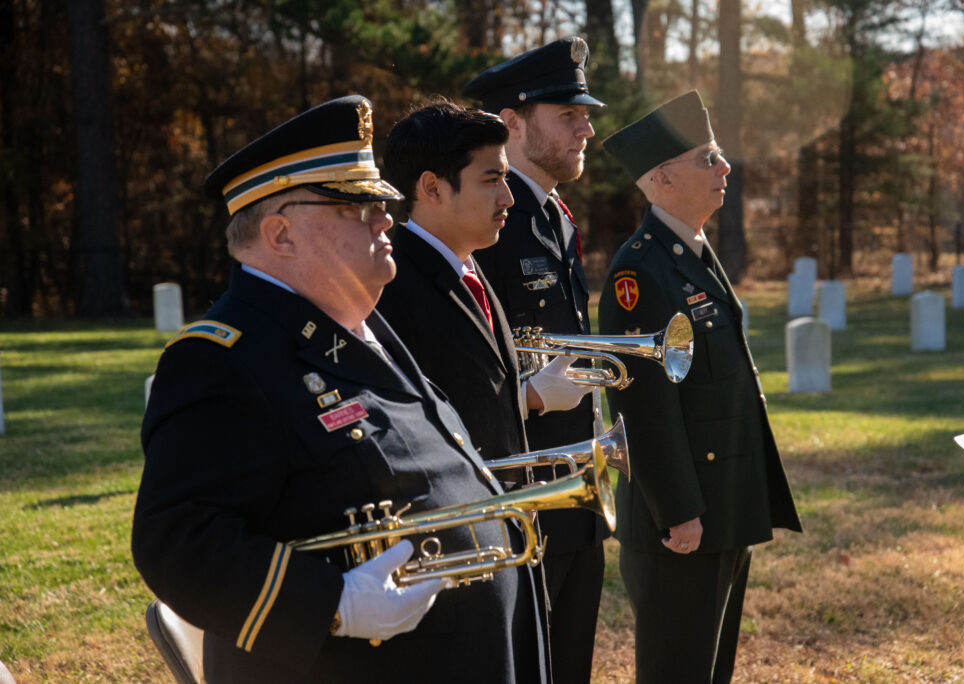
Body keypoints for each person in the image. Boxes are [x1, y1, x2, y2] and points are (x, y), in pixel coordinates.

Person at [131, 96, 546, 684]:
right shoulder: (223, 360)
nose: (384, 217)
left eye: (379, 201)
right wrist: (331, 603)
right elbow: (175, 539)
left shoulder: (360, 320)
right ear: (280, 234)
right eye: (356, 206)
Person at [599, 91, 803, 683]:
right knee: (677, 669)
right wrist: (680, 510)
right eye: (707, 158)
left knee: (709, 670)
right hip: (682, 519)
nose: (725, 168)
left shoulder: (692, 249)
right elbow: (643, 404)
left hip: (721, 503)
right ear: (662, 178)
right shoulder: (640, 270)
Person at [462, 37, 608, 684]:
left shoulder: (553, 215)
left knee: (569, 660)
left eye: (586, 113)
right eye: (568, 115)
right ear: (512, 123)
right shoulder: (487, 222)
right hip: (516, 491)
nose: (588, 127)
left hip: (573, 483)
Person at [376, 100, 591, 473]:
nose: (508, 197)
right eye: (491, 180)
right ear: (432, 188)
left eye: (506, 178)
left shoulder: (471, 268)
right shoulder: (390, 288)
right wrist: (527, 398)